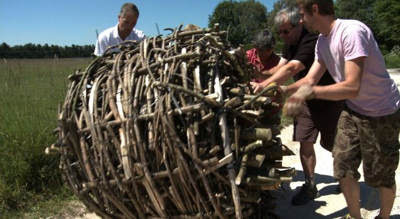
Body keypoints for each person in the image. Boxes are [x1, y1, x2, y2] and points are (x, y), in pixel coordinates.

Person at [284, 0, 400, 218]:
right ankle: (355, 216)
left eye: (302, 14)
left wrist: (312, 93)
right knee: (343, 167)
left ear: (315, 9)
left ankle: (383, 217)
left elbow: (352, 87)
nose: (300, 20)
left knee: (380, 176)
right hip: (353, 110)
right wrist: (282, 91)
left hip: (382, 112)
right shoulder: (322, 41)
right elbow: (310, 79)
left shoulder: (352, 32)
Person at [251, 7, 343, 206]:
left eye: (286, 31)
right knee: (305, 142)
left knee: (332, 144)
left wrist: (265, 85)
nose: (283, 36)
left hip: (326, 98)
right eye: (280, 32)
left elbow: (293, 68)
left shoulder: (311, 39)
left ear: (299, 24)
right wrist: (257, 76)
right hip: (303, 100)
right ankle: (310, 186)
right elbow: (281, 68)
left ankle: (345, 175)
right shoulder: (289, 43)